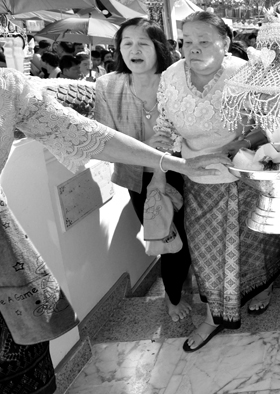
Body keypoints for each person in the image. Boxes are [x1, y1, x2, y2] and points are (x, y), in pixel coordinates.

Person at [0, 68, 228, 394]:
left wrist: (174, 163)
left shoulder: (7, 88)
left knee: (27, 377)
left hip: (6, 266)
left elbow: (87, 133)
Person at [154, 10, 280, 352]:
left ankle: (263, 286)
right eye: (186, 41)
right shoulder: (169, 76)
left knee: (256, 241)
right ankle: (213, 315)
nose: (192, 49)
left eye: (203, 41)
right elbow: (164, 129)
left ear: (225, 44)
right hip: (197, 179)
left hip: (245, 175)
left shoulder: (246, 74)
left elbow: (271, 124)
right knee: (206, 252)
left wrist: (236, 145)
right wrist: (158, 175)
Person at [94, 17, 192, 323]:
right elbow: (104, 138)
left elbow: (196, 125)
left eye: (143, 43)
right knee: (164, 237)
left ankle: (185, 283)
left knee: (188, 237)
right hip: (137, 178)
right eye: (127, 43)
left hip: (182, 170)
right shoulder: (108, 85)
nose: (134, 50)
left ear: (158, 48)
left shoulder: (177, 80)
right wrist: (148, 144)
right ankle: (173, 297)